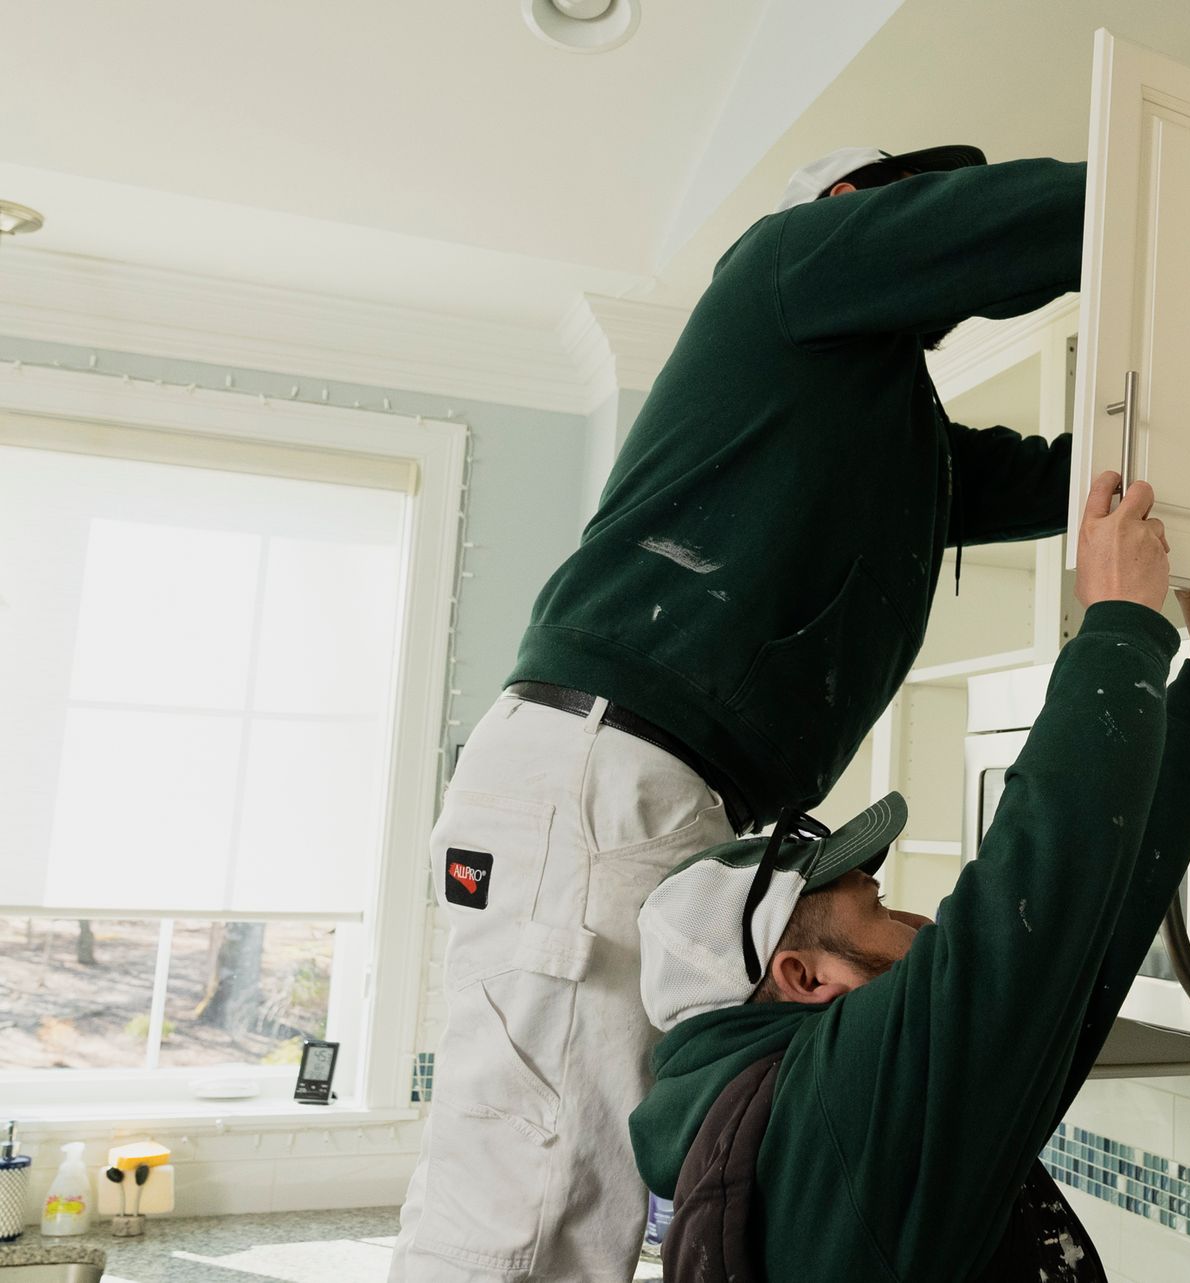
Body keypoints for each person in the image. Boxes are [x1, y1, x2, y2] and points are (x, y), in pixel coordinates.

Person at [390, 145, 1090, 1282]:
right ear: (848, 206)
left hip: (634, 778)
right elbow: (1014, 221)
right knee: (538, 1194)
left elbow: (1046, 478)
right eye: (914, 200)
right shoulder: (783, 264)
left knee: (575, 1187)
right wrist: (1180, 189)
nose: (930, 227)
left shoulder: (872, 426)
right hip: (604, 763)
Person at [629, 473, 1190, 1283]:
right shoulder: (835, 1113)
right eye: (877, 905)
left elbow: (1073, 960)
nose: (920, 924)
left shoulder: (767, 1130)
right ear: (802, 975)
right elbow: (1030, 893)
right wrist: (1120, 624)